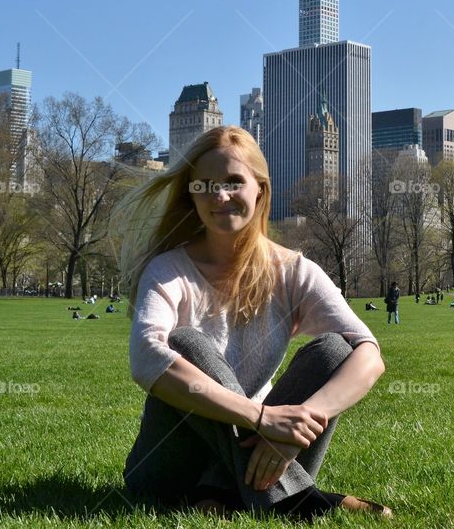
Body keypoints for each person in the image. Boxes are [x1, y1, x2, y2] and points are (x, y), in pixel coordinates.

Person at [112, 126, 391, 519]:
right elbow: (146, 358)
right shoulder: (169, 269)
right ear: (190, 194)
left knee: (336, 350)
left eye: (233, 182)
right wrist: (261, 418)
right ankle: (301, 500)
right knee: (186, 343)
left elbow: (369, 355)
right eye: (205, 185)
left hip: (268, 456)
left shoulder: (293, 270)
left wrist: (295, 428)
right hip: (170, 468)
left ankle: (218, 496)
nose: (220, 196)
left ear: (259, 188)